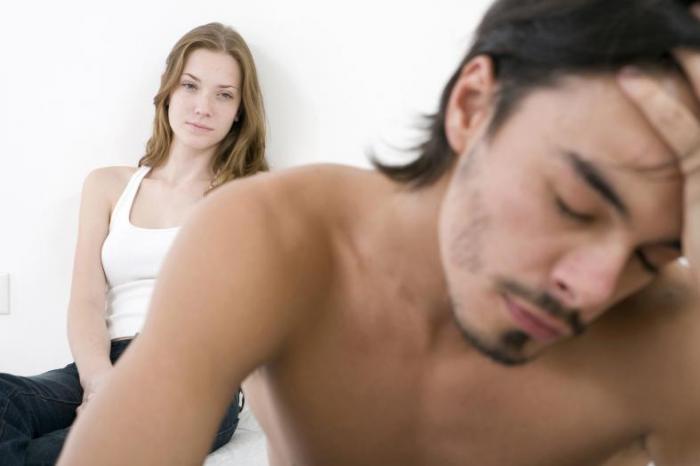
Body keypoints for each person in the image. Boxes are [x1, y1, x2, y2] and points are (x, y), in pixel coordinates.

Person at [58, 1, 700, 465]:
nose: (593, 288)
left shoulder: (672, 341)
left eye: (654, 254)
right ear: (472, 106)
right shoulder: (275, 237)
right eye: (573, 204)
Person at [0, 22, 268, 465]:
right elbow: (87, 299)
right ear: (167, 91)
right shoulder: (107, 185)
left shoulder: (247, 197)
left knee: (62, 453)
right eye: (190, 86)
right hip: (106, 361)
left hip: (194, 378)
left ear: (240, 110)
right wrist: (98, 381)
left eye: (224, 94)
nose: (203, 107)